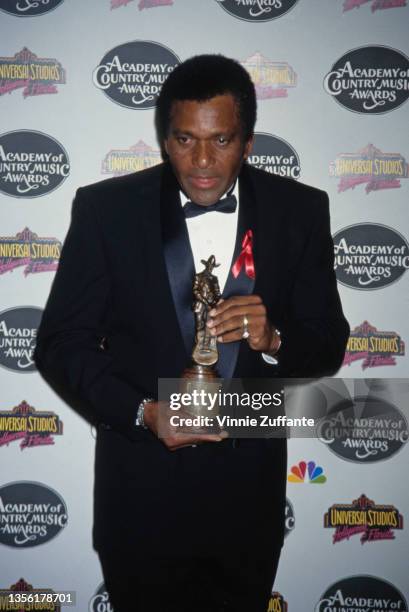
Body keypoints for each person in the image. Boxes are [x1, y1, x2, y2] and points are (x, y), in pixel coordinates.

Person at [34, 55, 349, 611]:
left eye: (222, 140)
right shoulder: (107, 210)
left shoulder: (298, 212)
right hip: (139, 501)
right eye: (184, 140)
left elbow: (328, 341)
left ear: (248, 142)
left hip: (247, 506)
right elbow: (61, 344)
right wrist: (142, 412)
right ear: (163, 139)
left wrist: (274, 338)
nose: (202, 161)